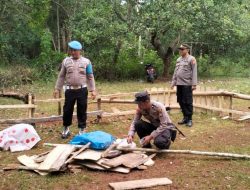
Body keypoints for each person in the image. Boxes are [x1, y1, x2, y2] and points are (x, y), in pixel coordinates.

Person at [53, 40, 96, 138]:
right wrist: (57, 88)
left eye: (75, 50)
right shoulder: (66, 61)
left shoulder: (86, 62)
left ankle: (81, 129)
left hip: (82, 90)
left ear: (79, 50)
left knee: (82, 109)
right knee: (67, 110)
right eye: (71, 50)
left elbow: (90, 76)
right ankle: (66, 129)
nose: (72, 52)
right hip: (69, 90)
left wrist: (92, 90)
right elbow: (61, 76)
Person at [171, 44, 197, 127]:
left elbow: (194, 72)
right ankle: (185, 117)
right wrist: (173, 82)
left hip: (187, 84)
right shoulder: (178, 59)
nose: (180, 51)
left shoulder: (191, 59)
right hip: (179, 84)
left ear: (187, 50)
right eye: (180, 49)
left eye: (182, 49)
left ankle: (189, 119)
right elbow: (176, 72)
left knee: (188, 101)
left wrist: (194, 84)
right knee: (180, 101)